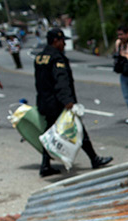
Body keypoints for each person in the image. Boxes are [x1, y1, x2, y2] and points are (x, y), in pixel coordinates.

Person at [35, 28, 113, 177]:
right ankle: (94, 159)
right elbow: (61, 82)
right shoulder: (57, 58)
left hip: (45, 101)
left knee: (50, 133)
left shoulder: (40, 57)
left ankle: (45, 166)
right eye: (62, 41)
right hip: (58, 103)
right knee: (78, 129)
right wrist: (68, 101)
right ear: (55, 41)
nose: (64, 44)